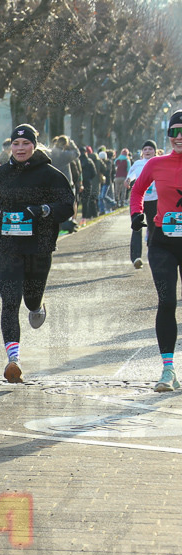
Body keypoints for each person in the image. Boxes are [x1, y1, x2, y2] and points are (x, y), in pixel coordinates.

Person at [0, 124, 75, 383]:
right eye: (16, 144)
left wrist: (44, 210)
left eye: (25, 144)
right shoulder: (3, 172)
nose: (20, 148)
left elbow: (67, 205)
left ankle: (37, 304)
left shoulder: (50, 174)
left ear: (34, 145)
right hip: (6, 245)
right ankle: (13, 360)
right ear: (11, 147)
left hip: (38, 245)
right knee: (9, 302)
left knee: (29, 300)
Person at [129, 111, 182, 391]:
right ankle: (168, 370)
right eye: (174, 131)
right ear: (168, 136)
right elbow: (137, 192)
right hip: (163, 240)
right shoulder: (155, 163)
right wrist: (136, 215)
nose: (179, 136)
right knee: (167, 301)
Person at [127, 140, 158, 269]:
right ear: (142, 152)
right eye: (145, 149)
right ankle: (136, 257)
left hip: (155, 200)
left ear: (155, 151)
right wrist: (128, 180)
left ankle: (154, 255)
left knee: (154, 228)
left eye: (150, 149)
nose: (147, 151)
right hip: (139, 200)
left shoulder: (159, 163)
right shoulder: (138, 164)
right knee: (136, 227)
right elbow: (131, 176)